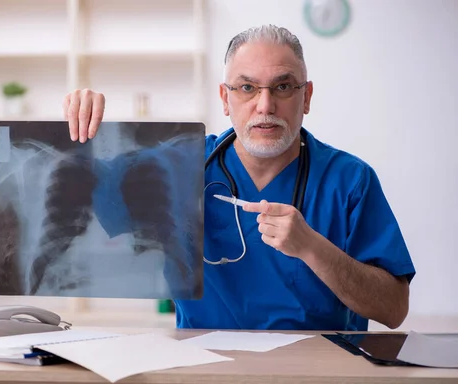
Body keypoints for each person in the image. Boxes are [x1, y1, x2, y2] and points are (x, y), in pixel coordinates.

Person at [60, 25, 416, 331]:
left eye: (283, 86)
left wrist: (311, 247)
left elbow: (394, 309)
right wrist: (81, 135)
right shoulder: (179, 166)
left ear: (305, 97)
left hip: (319, 372)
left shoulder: (350, 180)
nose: (265, 105)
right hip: (205, 369)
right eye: (247, 88)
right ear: (225, 99)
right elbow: (85, 204)